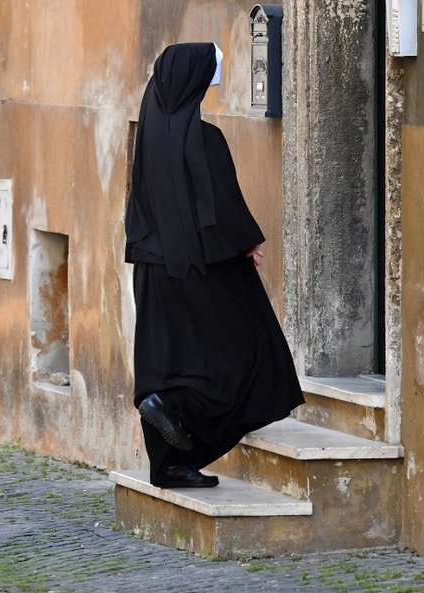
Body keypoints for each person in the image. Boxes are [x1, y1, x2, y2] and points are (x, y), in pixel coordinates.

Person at [124, 44, 304, 489]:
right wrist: (246, 243)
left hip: (152, 269)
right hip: (200, 269)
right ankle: (172, 407)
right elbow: (218, 207)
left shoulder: (148, 139)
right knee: (242, 352)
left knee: (170, 360)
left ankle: (170, 463)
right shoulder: (205, 140)